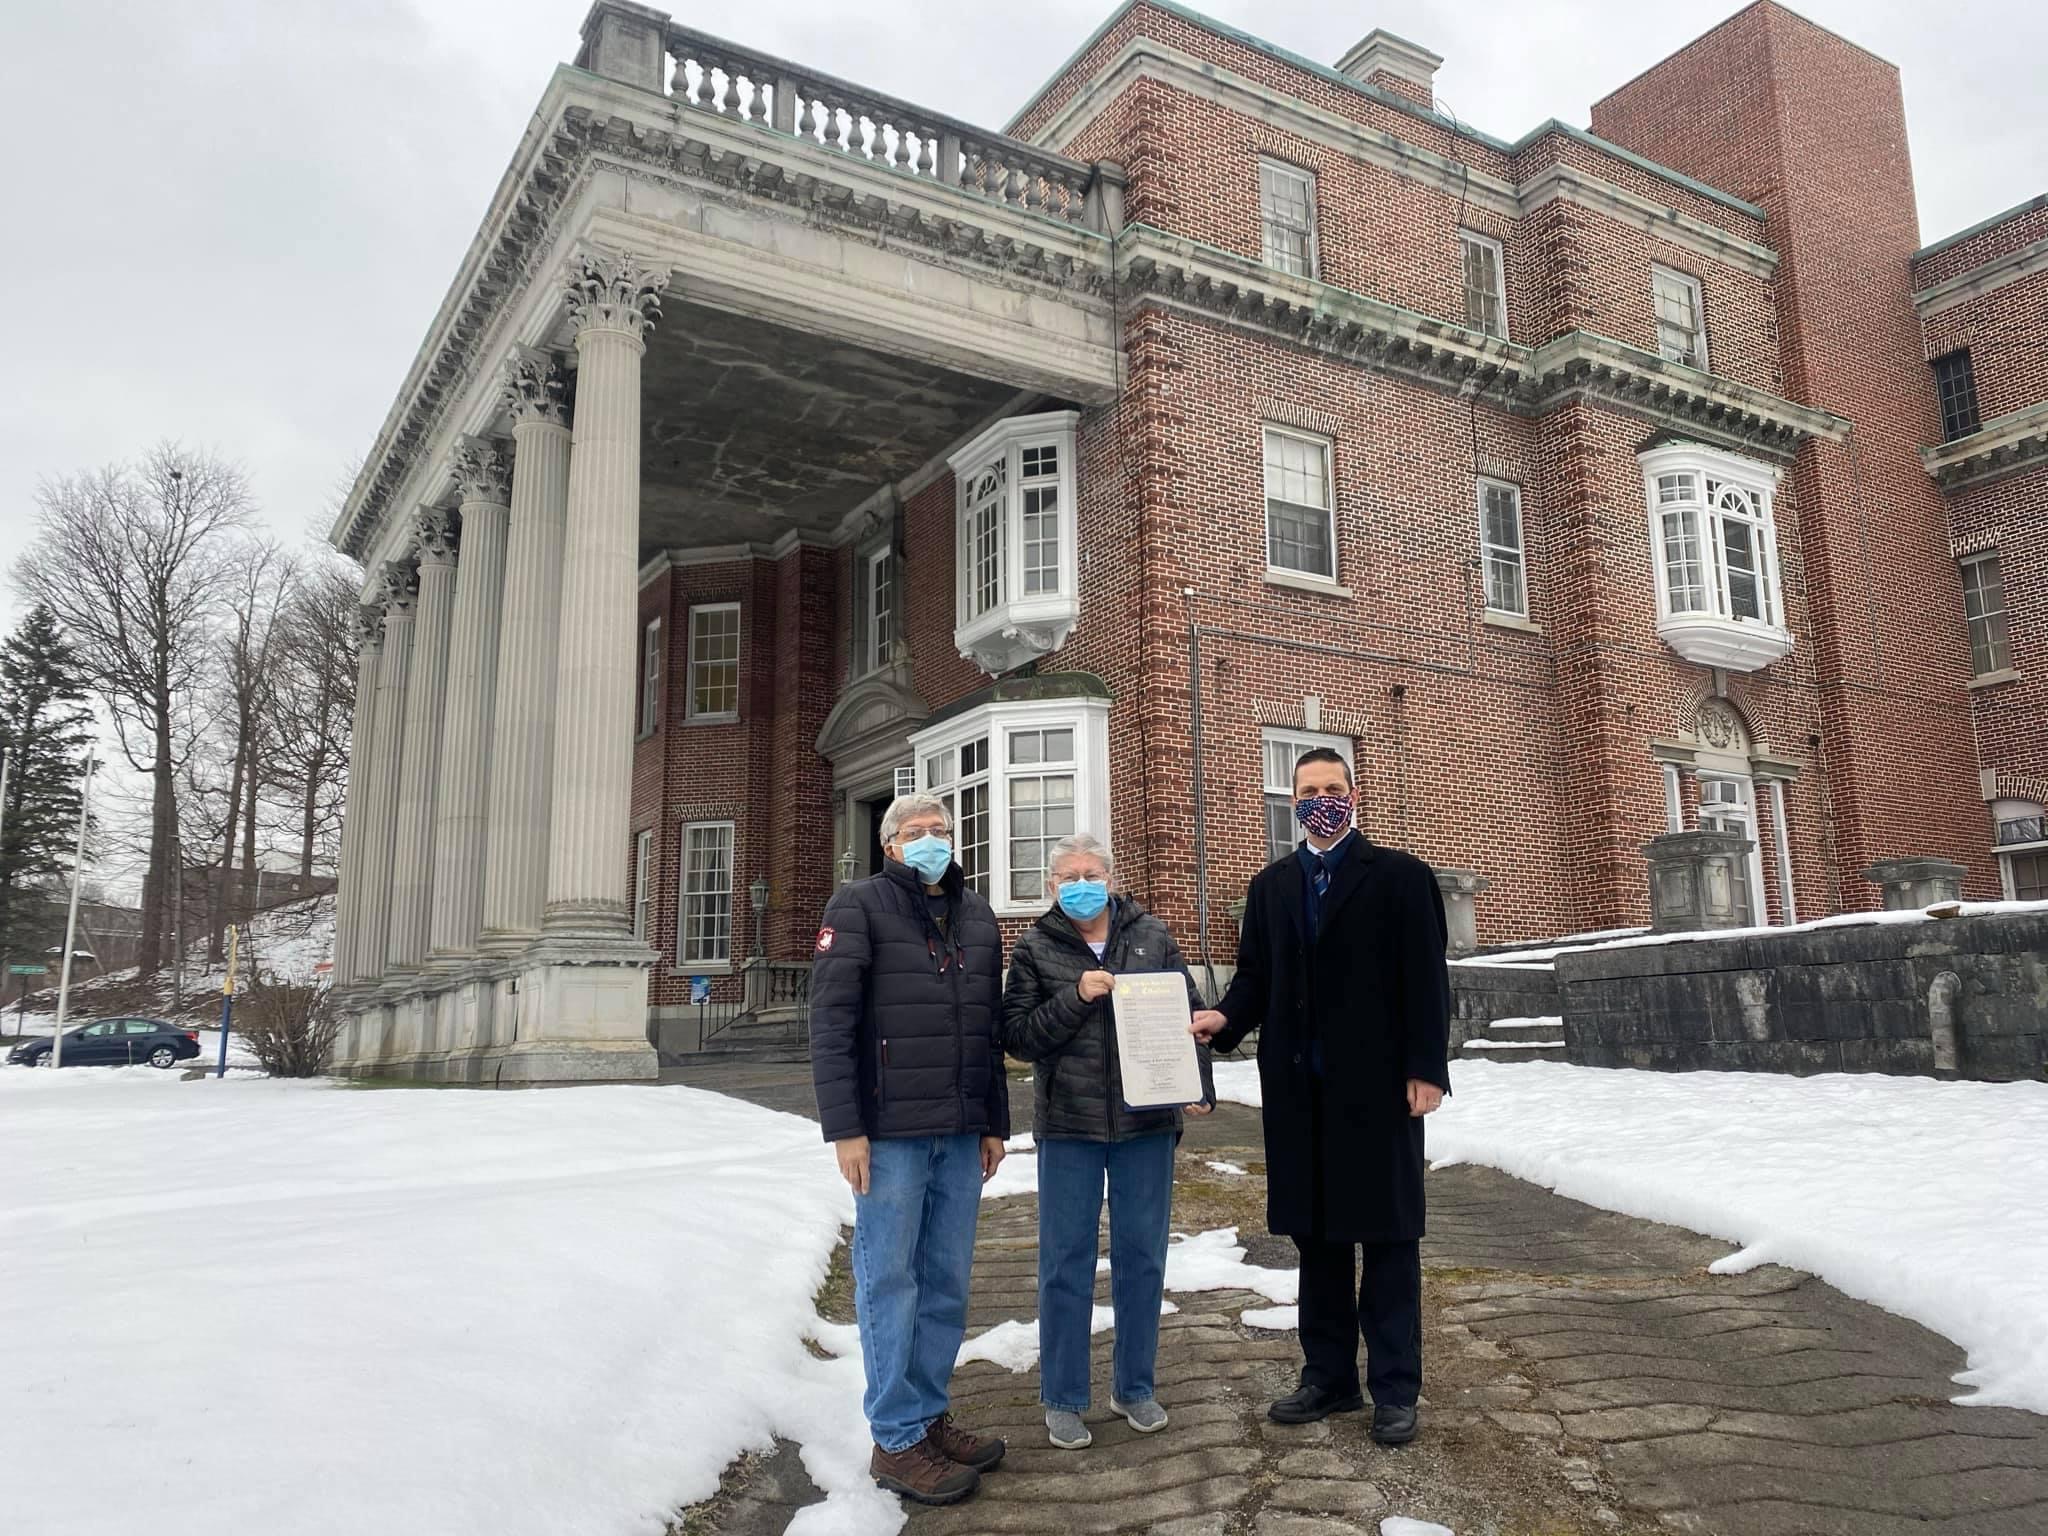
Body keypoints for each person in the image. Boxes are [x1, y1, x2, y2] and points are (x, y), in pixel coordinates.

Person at [1191, 748, 1451, 1445]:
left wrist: (1427, 1068)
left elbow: (1427, 981)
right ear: (1291, 801)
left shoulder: (1399, 877)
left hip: (1379, 1092)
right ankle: (1329, 1377)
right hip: (1299, 1097)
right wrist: (1224, 1017)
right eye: (1309, 791)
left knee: (1390, 1242)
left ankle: (1396, 1388)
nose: (1321, 800)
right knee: (1321, 1242)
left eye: (1333, 788)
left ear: (1355, 794)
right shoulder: (1272, 885)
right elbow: (1255, 978)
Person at [810, 793, 1011, 1507]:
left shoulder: (978, 916)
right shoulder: (858, 907)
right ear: (890, 844)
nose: (929, 840)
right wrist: (845, 1128)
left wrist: (995, 1122)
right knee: (890, 1280)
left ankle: (926, 1415)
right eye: (914, 832)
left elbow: (986, 1029)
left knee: (947, 1281)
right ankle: (895, 1439)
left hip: (959, 1131)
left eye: (940, 830)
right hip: (888, 1134)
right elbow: (831, 1022)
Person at [999, 833, 1215, 1451]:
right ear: (1052, 886)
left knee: (1142, 1258)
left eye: (1092, 872)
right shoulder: (1036, 948)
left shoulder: (1153, 935)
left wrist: (1196, 1085)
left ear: (1112, 879)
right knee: (1064, 1262)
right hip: (1069, 1126)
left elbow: (1190, 1017)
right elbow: (1017, 1037)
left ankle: (1135, 1387)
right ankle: (1064, 1397)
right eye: (1069, 875)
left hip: (1145, 1125)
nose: (1081, 882)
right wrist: (1075, 996)